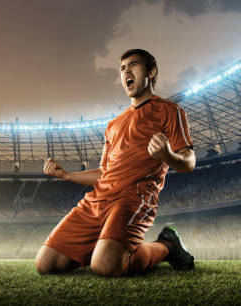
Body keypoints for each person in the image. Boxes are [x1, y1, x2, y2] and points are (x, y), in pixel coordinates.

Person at [35, 49, 196, 276]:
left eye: (133, 65)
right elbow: (104, 172)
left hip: (132, 199)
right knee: (46, 264)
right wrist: (66, 175)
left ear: (152, 71)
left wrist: (168, 156)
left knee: (105, 266)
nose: (126, 72)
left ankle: (168, 246)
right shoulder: (113, 124)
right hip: (98, 200)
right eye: (122, 68)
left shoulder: (170, 111)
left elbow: (189, 162)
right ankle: (107, 246)